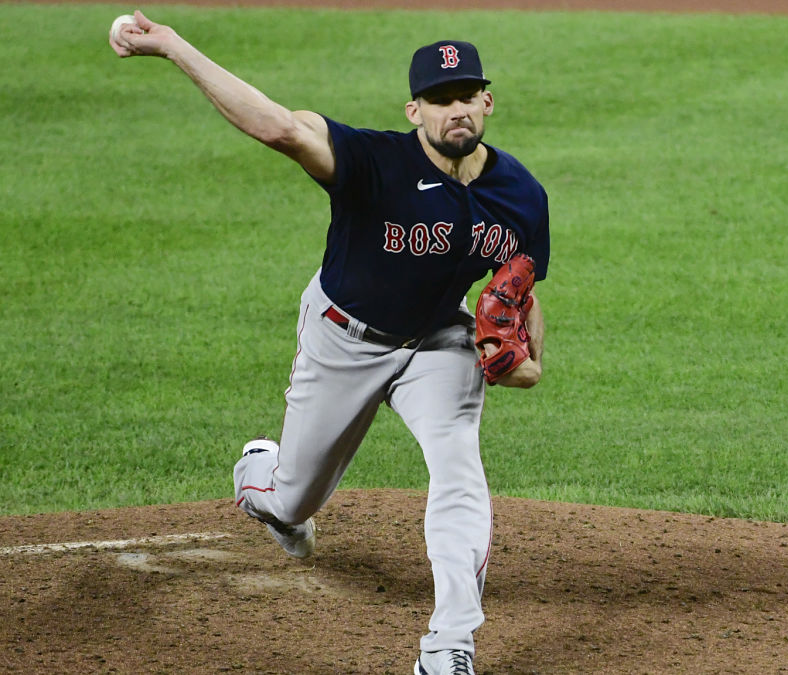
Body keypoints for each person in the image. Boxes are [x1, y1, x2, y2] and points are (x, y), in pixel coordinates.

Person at [111, 12, 549, 675]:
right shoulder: (373, 162)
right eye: (439, 99)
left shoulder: (521, 195)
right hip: (343, 339)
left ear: (486, 101)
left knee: (459, 469)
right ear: (415, 109)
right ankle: (261, 475)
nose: (455, 110)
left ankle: (450, 643)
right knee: (293, 502)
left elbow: (520, 292)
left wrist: (530, 366)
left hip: (437, 341)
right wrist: (173, 46)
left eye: (466, 95)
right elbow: (281, 127)